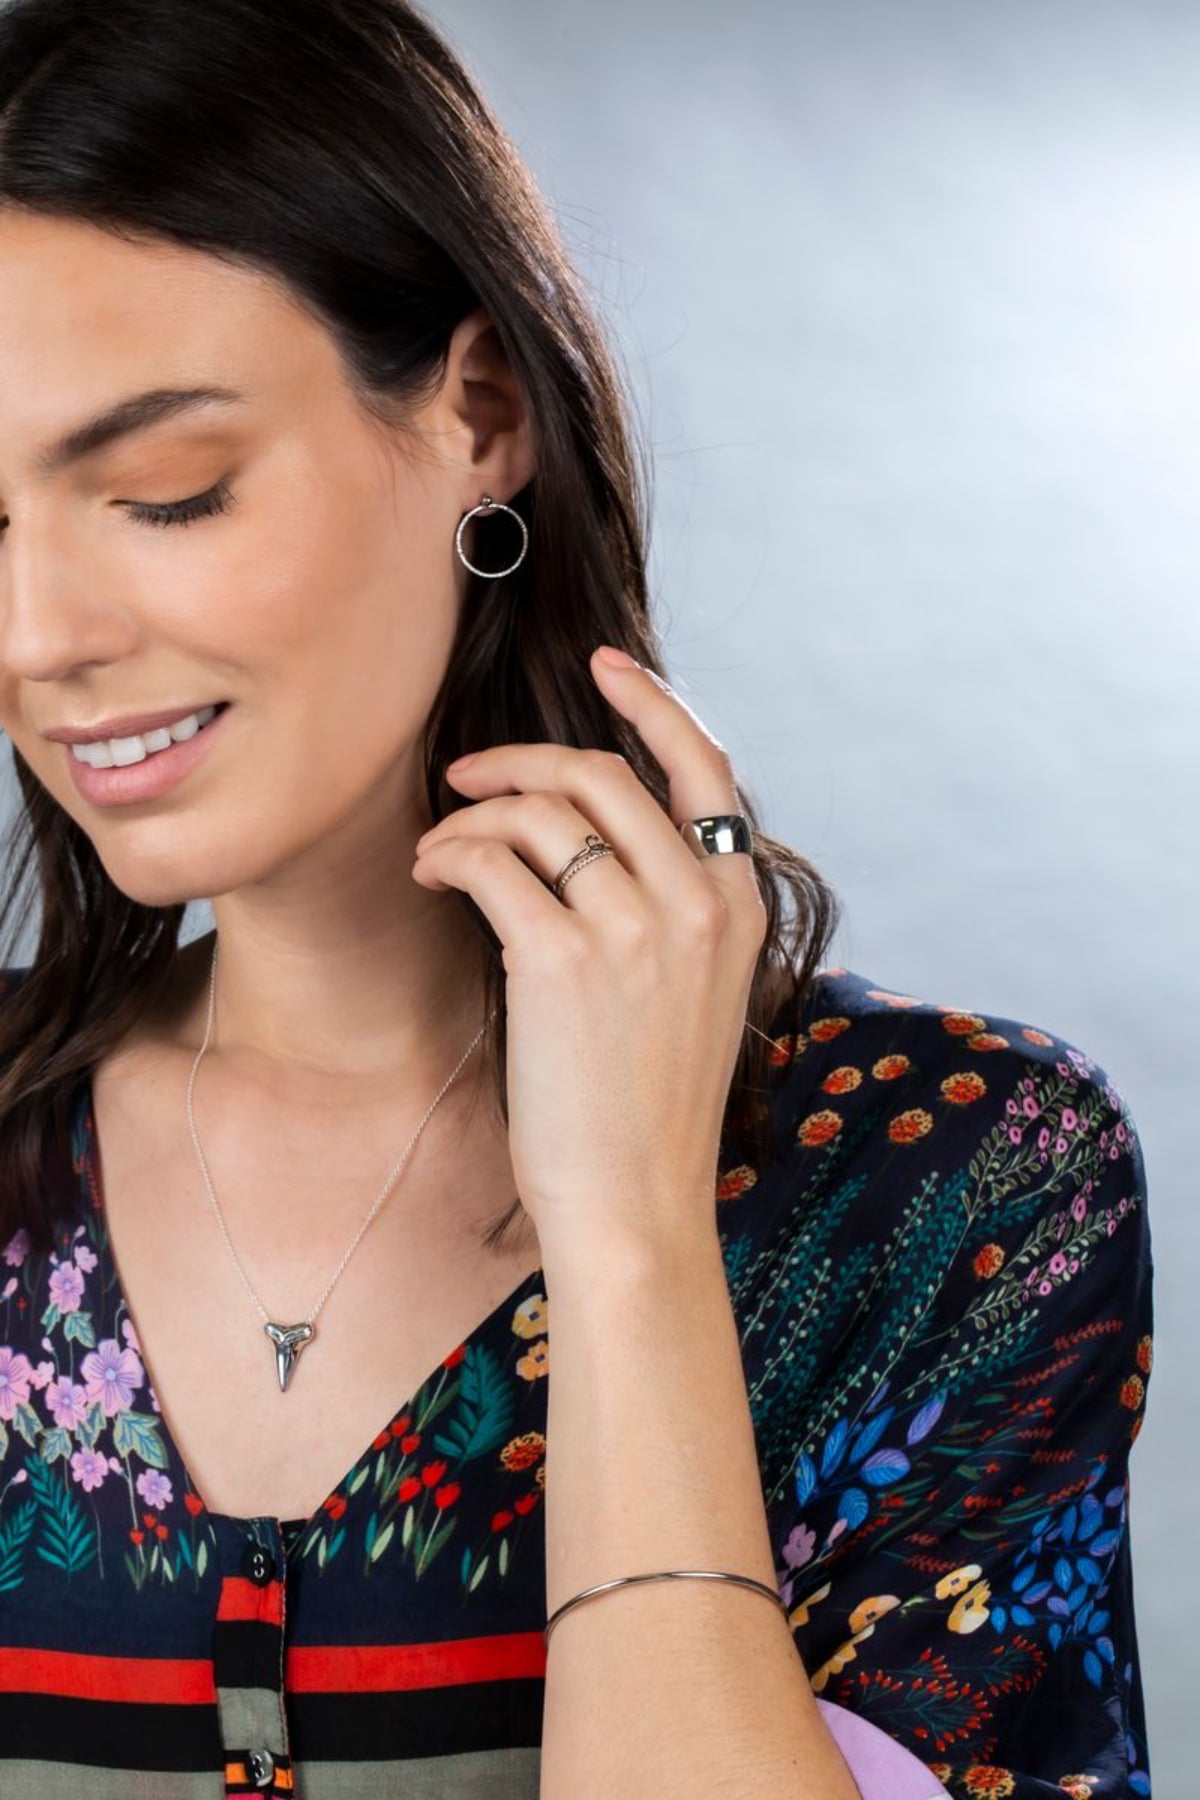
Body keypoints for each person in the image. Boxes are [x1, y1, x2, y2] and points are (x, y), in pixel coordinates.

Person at [0, 2, 1153, 1797]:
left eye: (166, 492)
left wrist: (626, 1245)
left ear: (479, 415)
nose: (39, 637)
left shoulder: (950, 1184)